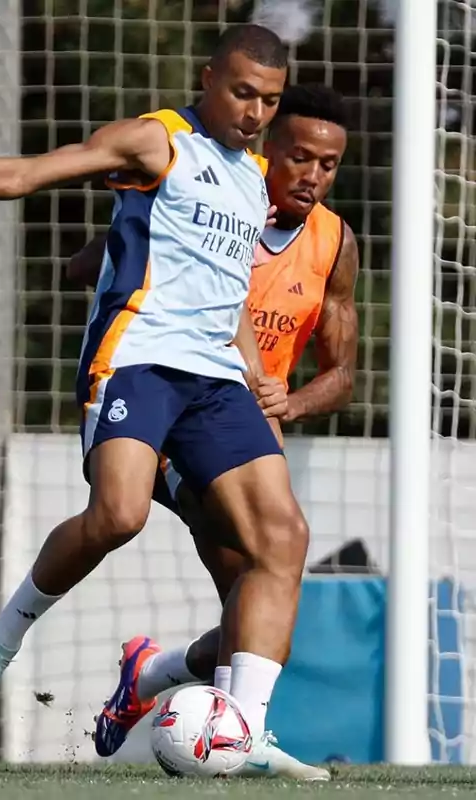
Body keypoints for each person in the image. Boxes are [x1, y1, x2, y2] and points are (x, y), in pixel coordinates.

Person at [0, 24, 310, 767]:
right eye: (241, 93)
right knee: (119, 515)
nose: (255, 111)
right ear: (206, 80)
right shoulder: (155, 141)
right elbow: (26, 175)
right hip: (139, 361)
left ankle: (244, 730)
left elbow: (225, 293)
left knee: (280, 538)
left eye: (269, 99)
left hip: (216, 381)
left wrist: (257, 377)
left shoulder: (252, 177)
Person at [70, 84, 358, 780]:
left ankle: (160, 680)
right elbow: (87, 265)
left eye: (328, 163)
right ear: (268, 151)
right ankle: (231, 731)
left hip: (243, 422)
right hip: (166, 404)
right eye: (299, 158)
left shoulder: (334, 242)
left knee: (260, 592)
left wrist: (287, 403)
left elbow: (345, 372)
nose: (312, 175)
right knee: (251, 566)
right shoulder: (215, 187)